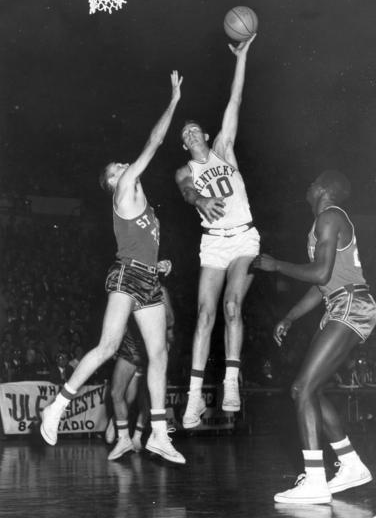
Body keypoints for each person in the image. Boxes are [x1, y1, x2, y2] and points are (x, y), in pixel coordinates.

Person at [40, 71, 185, 465]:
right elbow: (154, 142)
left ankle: (156, 432)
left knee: (158, 355)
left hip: (149, 277)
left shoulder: (142, 203)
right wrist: (173, 101)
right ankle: (56, 407)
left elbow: (144, 242)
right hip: (127, 276)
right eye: (116, 168)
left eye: (122, 165)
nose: (122, 165)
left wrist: (161, 262)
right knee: (107, 346)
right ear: (113, 183)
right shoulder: (124, 189)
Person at [252, 170, 376, 504]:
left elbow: (321, 273)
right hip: (339, 303)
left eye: (311, 184)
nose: (307, 187)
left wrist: (276, 265)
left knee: (301, 388)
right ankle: (350, 463)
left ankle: (316, 479)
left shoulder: (330, 216)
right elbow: (322, 283)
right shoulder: (322, 224)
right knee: (311, 389)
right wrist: (290, 317)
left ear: (322, 190)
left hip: (351, 304)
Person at [175, 35, 260, 429]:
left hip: (243, 237)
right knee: (206, 314)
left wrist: (241, 58)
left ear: (206, 136)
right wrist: (198, 201)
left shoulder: (224, 149)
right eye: (186, 134)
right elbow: (188, 191)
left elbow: (236, 100)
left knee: (231, 307)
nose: (192, 135)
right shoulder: (184, 171)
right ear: (184, 144)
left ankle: (230, 384)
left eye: (196, 130)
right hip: (213, 243)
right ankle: (193, 399)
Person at [106, 261, 175, 461]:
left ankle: (137, 436)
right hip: (130, 346)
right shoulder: (126, 284)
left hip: (148, 349)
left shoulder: (160, 291)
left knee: (147, 398)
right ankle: (122, 435)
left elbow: (170, 322)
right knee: (117, 393)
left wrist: (153, 316)